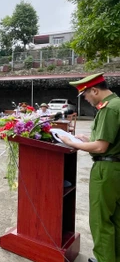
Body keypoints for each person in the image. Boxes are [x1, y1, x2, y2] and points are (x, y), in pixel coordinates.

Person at [59, 73, 120, 262]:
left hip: (106, 169)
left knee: (101, 220)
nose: (85, 99)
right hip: (115, 168)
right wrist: (88, 139)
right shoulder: (117, 103)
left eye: (85, 95)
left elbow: (101, 147)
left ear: (95, 90)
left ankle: (104, 259)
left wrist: (71, 142)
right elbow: (106, 139)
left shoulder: (109, 109)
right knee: (116, 219)